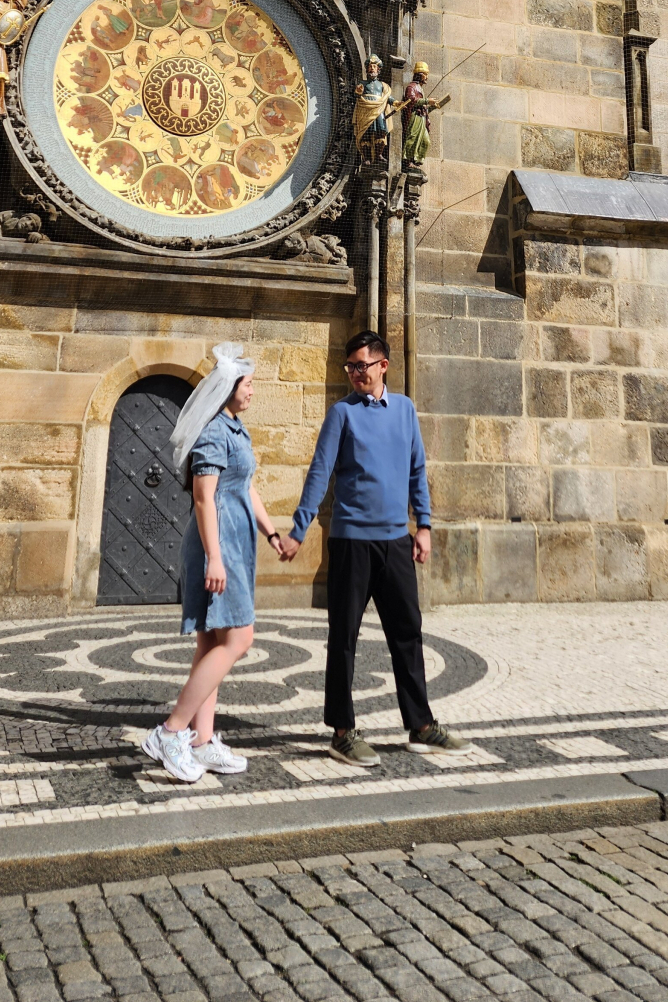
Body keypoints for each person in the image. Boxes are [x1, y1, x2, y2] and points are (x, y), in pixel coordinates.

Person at [277, 331, 471, 766]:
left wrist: (424, 525)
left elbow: (417, 468)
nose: (354, 373)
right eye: (349, 367)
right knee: (343, 637)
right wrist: (299, 529)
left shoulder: (404, 410)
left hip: (396, 543)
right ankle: (343, 731)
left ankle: (420, 726)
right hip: (351, 543)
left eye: (361, 365)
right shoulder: (341, 414)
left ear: (383, 365)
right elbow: (319, 473)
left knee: (407, 633)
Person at [141, 344, 285, 783]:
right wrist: (215, 559)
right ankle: (170, 733)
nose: (253, 391)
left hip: (236, 544)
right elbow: (204, 498)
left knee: (211, 646)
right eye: (249, 384)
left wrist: (272, 532)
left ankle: (202, 741)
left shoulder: (236, 429)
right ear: (228, 388)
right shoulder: (213, 432)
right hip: (216, 547)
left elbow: (246, 489)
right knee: (239, 639)